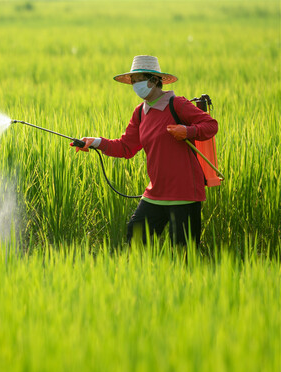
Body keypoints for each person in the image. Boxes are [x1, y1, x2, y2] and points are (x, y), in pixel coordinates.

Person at [75, 55, 218, 246]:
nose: (135, 85)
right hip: (156, 194)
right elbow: (126, 147)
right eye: (133, 82)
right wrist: (95, 142)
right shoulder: (140, 112)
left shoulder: (177, 104)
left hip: (184, 193)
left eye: (139, 80)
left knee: (185, 255)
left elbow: (211, 125)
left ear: (153, 80)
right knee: (135, 238)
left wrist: (188, 131)